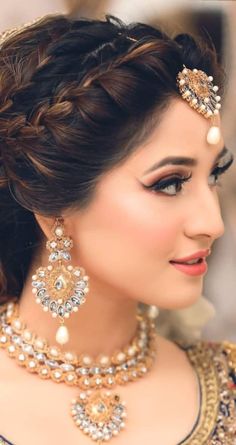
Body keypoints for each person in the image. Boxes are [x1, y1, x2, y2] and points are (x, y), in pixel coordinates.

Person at [0, 13, 235, 445]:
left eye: (214, 175)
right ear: (56, 207)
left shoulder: (229, 388)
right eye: (170, 183)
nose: (213, 224)